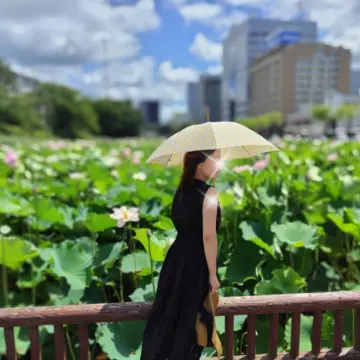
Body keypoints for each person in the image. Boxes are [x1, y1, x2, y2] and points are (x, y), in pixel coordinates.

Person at [140, 149, 223, 360]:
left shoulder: (181, 190)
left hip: (175, 260)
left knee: (168, 315)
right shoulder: (209, 194)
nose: (220, 164)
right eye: (216, 158)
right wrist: (213, 274)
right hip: (196, 262)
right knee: (190, 321)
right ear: (200, 164)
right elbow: (208, 237)